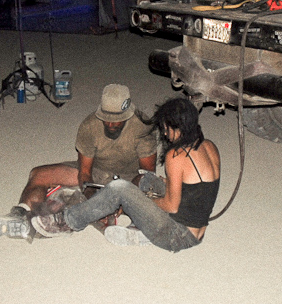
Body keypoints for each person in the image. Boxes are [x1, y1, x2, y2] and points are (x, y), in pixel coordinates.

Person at [31, 97, 220, 252]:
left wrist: (141, 199)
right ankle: (142, 230)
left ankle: (67, 221)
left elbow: (171, 205)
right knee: (146, 179)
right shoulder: (209, 146)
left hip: (177, 236)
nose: (164, 134)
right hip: (196, 230)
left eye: (165, 128)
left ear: (175, 127)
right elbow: (196, 190)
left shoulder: (175, 156)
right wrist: (155, 188)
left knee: (120, 188)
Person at [0, 84, 158, 241]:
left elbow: (146, 175)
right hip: (97, 171)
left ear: (127, 114)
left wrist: (119, 200)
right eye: (106, 119)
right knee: (39, 174)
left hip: (127, 179)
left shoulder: (142, 127)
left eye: (115, 121)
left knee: (149, 188)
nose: (109, 124)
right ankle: (21, 217)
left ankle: (137, 226)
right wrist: (94, 199)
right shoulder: (90, 125)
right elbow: (85, 173)